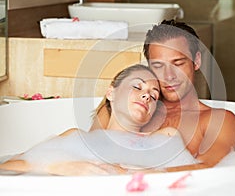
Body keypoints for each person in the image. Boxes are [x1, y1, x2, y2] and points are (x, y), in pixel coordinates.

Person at [0, 64, 199, 175]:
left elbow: (185, 179)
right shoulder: (76, 139)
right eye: (137, 87)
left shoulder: (163, 139)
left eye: (153, 96)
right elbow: (7, 168)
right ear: (111, 93)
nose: (146, 96)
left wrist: (119, 172)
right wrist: (57, 166)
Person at [92, 20, 235, 170]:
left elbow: (207, 168)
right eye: (158, 66)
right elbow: (88, 155)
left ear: (196, 61)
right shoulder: (125, 105)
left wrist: (139, 176)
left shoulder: (215, 120)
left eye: (178, 63)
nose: (169, 76)